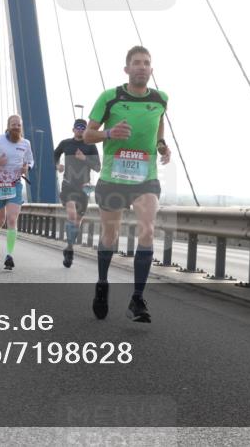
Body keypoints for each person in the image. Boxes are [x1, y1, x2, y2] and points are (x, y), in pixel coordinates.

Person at [83, 46, 171, 323]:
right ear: (127, 69)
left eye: (146, 63)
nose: (142, 67)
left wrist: (161, 145)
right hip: (113, 179)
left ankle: (137, 299)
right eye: (137, 63)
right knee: (110, 236)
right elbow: (87, 135)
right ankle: (102, 284)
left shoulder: (160, 99)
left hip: (146, 178)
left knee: (148, 229)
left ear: (151, 69)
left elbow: (158, 124)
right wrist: (109, 133)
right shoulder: (110, 98)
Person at [0, 115, 34, 271]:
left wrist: (27, 167)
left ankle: (9, 255)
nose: (16, 127)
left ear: (21, 127)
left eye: (18, 125)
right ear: (8, 126)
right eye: (13, 124)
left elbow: (30, 160)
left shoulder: (26, 143)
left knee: (12, 219)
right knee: (0, 220)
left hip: (15, 185)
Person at [54, 119, 101, 268]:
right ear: (73, 129)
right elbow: (55, 155)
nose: (80, 129)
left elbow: (97, 167)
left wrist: (84, 158)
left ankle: (69, 247)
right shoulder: (65, 143)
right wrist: (57, 165)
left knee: (78, 221)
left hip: (84, 188)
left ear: (86, 130)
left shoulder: (91, 146)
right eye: (78, 127)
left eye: (83, 127)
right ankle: (70, 251)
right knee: (72, 215)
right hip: (68, 185)